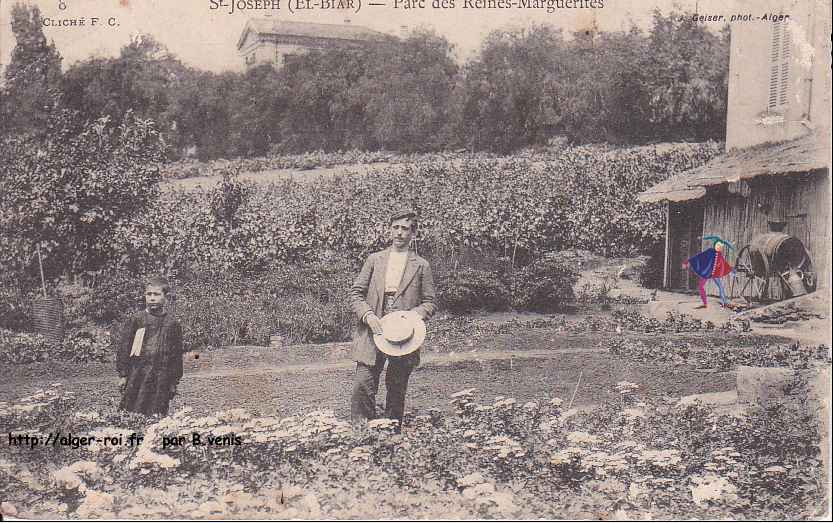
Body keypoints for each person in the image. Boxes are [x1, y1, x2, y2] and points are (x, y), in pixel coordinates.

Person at [349, 208, 436, 428]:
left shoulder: (421, 265)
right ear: (389, 230)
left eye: (405, 229)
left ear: (413, 234)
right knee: (363, 385)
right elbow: (356, 294)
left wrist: (413, 316)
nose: (399, 233)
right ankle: (363, 433)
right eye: (395, 227)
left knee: (396, 387)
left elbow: (430, 302)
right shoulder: (374, 260)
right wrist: (368, 316)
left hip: (403, 335)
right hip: (373, 329)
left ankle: (391, 437)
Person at [115, 276, 184, 416]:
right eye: (149, 294)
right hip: (138, 373)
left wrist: (174, 381)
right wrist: (123, 374)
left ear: (166, 297)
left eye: (157, 294)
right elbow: (124, 347)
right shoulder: (137, 320)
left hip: (161, 376)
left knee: (157, 412)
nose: (152, 298)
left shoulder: (172, 324)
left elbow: (176, 355)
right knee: (133, 409)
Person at [683, 236, 735, 309]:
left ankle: (725, 302)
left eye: (721, 247)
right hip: (707, 272)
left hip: (715, 274)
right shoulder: (710, 251)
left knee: (720, 287)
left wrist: (731, 270)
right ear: (715, 245)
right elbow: (699, 256)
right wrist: (688, 261)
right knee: (701, 286)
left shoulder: (720, 255)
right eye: (718, 245)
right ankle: (705, 304)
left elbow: (724, 264)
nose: (719, 248)